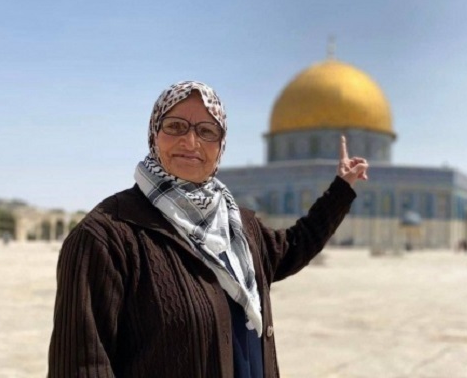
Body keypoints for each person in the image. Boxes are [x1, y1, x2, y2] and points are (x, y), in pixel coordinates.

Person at [48, 81, 368, 378]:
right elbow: (82, 365)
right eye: (175, 126)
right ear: (154, 133)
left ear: (221, 145)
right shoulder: (107, 236)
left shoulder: (238, 225)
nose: (191, 142)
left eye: (206, 131)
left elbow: (295, 246)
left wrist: (340, 190)